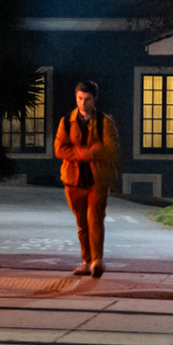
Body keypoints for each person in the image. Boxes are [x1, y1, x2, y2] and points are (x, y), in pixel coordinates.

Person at [53, 78, 118, 277]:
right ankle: (86, 260)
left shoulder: (104, 122)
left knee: (95, 219)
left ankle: (96, 261)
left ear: (94, 99)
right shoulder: (66, 121)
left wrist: (88, 154)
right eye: (80, 98)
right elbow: (59, 149)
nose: (83, 103)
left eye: (87, 99)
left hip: (97, 180)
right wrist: (84, 153)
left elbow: (111, 149)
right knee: (82, 222)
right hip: (73, 180)